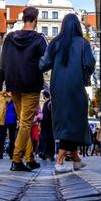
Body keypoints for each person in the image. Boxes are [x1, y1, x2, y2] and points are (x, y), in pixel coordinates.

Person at [39, 13, 96, 174]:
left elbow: (44, 64)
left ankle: (76, 160)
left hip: (57, 87)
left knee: (65, 120)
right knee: (75, 120)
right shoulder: (83, 43)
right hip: (76, 85)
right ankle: (59, 161)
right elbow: (91, 63)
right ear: (77, 26)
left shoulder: (56, 42)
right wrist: (85, 73)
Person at [0, 6, 48, 172]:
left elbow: (2, 62)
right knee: (26, 122)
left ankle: (30, 157)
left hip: (13, 84)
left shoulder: (10, 38)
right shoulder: (39, 39)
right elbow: (46, 62)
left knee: (22, 122)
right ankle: (17, 159)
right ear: (35, 20)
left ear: (24, 19)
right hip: (31, 84)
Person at [37, 89, 55, 162]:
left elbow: (52, 115)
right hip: (45, 125)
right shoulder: (46, 103)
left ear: (45, 95)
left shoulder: (50, 103)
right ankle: (44, 153)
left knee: (50, 139)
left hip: (49, 125)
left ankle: (51, 154)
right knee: (44, 139)